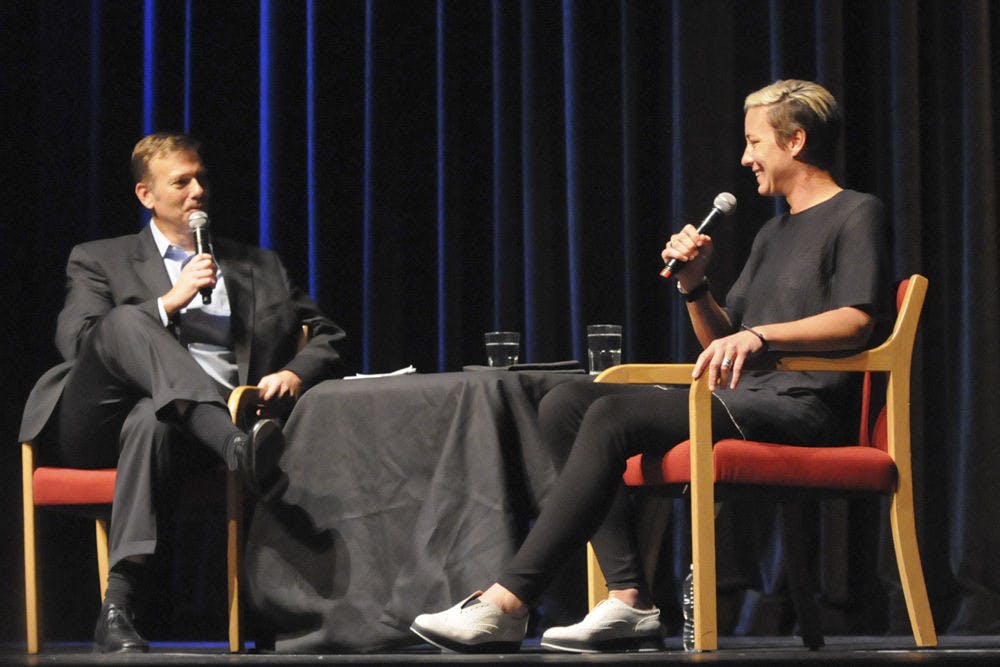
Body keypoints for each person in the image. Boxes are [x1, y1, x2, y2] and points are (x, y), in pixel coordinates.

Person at [410, 79, 889, 653]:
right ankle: (628, 599)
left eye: (754, 142)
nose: (744, 158)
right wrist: (694, 286)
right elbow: (723, 342)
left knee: (614, 417)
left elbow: (857, 322)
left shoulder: (857, 213)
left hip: (805, 407)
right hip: (746, 398)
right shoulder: (771, 232)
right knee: (566, 401)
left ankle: (508, 601)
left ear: (795, 141)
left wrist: (763, 336)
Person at [18, 133, 346, 653]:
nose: (198, 191)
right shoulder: (100, 258)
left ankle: (117, 607)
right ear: (146, 195)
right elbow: (78, 343)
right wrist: (168, 302)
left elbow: (327, 334)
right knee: (126, 321)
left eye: (202, 179)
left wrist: (296, 373)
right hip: (97, 420)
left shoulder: (257, 265)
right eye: (181, 181)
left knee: (152, 419)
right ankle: (237, 449)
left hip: (174, 434)